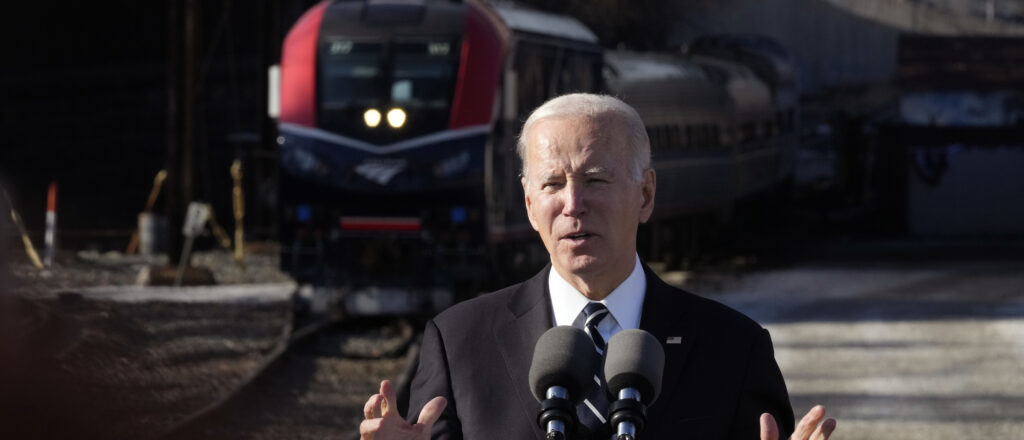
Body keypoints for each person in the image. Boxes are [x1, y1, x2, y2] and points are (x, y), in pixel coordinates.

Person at [360, 94, 836, 439]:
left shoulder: (734, 348)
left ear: (645, 194)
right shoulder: (459, 341)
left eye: (595, 179)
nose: (573, 204)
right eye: (552, 184)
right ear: (529, 206)